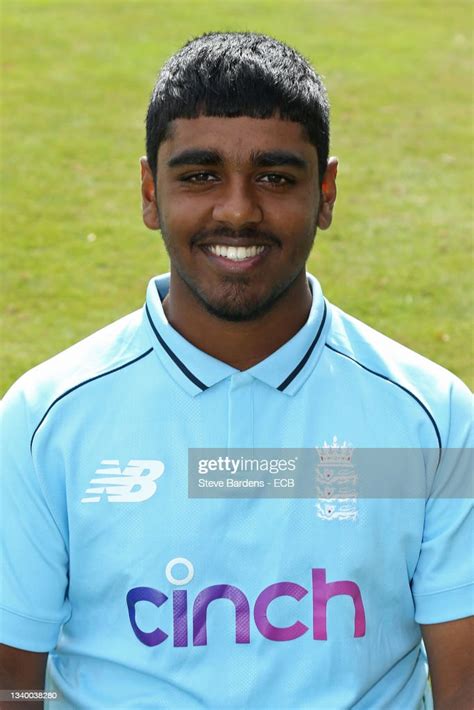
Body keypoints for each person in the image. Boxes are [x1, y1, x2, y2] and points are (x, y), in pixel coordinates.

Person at [0, 31, 472, 710]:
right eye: (199, 175)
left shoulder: (433, 417)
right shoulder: (45, 420)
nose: (238, 210)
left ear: (327, 192)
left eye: (276, 177)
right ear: (149, 191)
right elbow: (11, 674)